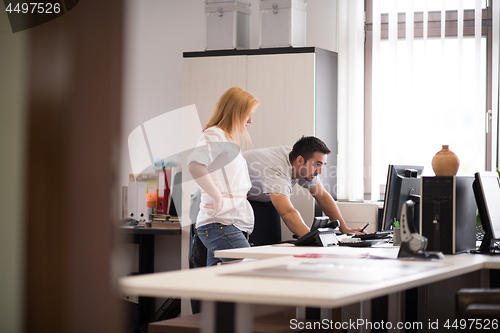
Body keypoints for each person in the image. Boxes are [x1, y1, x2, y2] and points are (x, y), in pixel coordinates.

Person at [187, 87, 259, 267]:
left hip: (226, 222)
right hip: (220, 223)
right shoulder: (214, 134)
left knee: (218, 286)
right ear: (236, 112)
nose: (250, 120)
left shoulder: (227, 140)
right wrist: (217, 196)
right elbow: (195, 165)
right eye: (248, 114)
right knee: (249, 269)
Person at [243, 136, 364, 236]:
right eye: (317, 164)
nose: (320, 171)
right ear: (300, 160)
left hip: (262, 197)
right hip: (234, 199)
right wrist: (312, 239)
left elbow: (322, 197)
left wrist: (345, 229)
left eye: (322, 165)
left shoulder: (301, 161)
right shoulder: (277, 169)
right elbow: (287, 212)